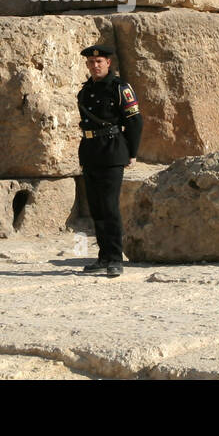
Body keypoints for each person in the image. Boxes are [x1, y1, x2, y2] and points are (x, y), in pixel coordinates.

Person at [76, 44, 142, 278]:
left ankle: (115, 259)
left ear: (108, 63)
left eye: (99, 62)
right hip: (90, 152)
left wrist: (132, 152)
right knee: (96, 207)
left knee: (109, 206)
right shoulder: (85, 91)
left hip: (113, 151)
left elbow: (135, 121)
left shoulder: (120, 88)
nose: (95, 66)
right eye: (91, 62)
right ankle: (103, 257)